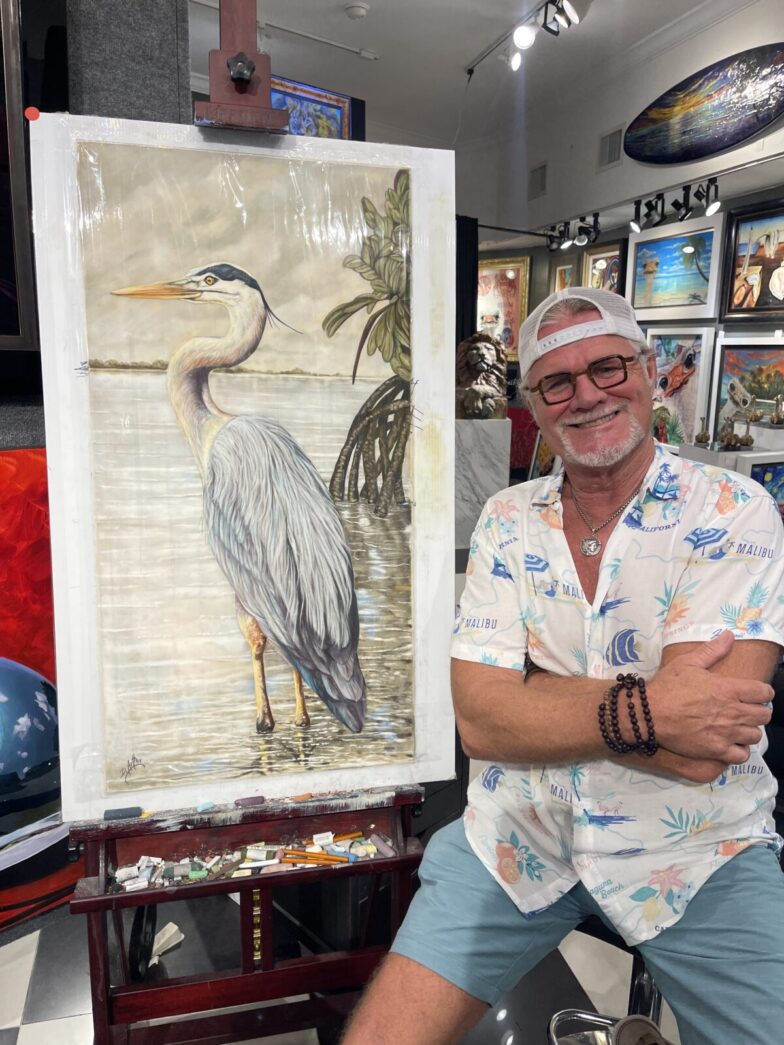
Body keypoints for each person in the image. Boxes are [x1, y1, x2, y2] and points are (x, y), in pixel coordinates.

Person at [342, 287, 784, 1045]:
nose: (586, 394)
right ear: (535, 409)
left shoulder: (731, 510)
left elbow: (703, 748)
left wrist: (536, 695)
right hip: (518, 837)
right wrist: (654, 705)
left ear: (648, 372)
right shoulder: (508, 520)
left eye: (607, 367)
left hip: (697, 852)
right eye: (558, 381)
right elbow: (481, 719)